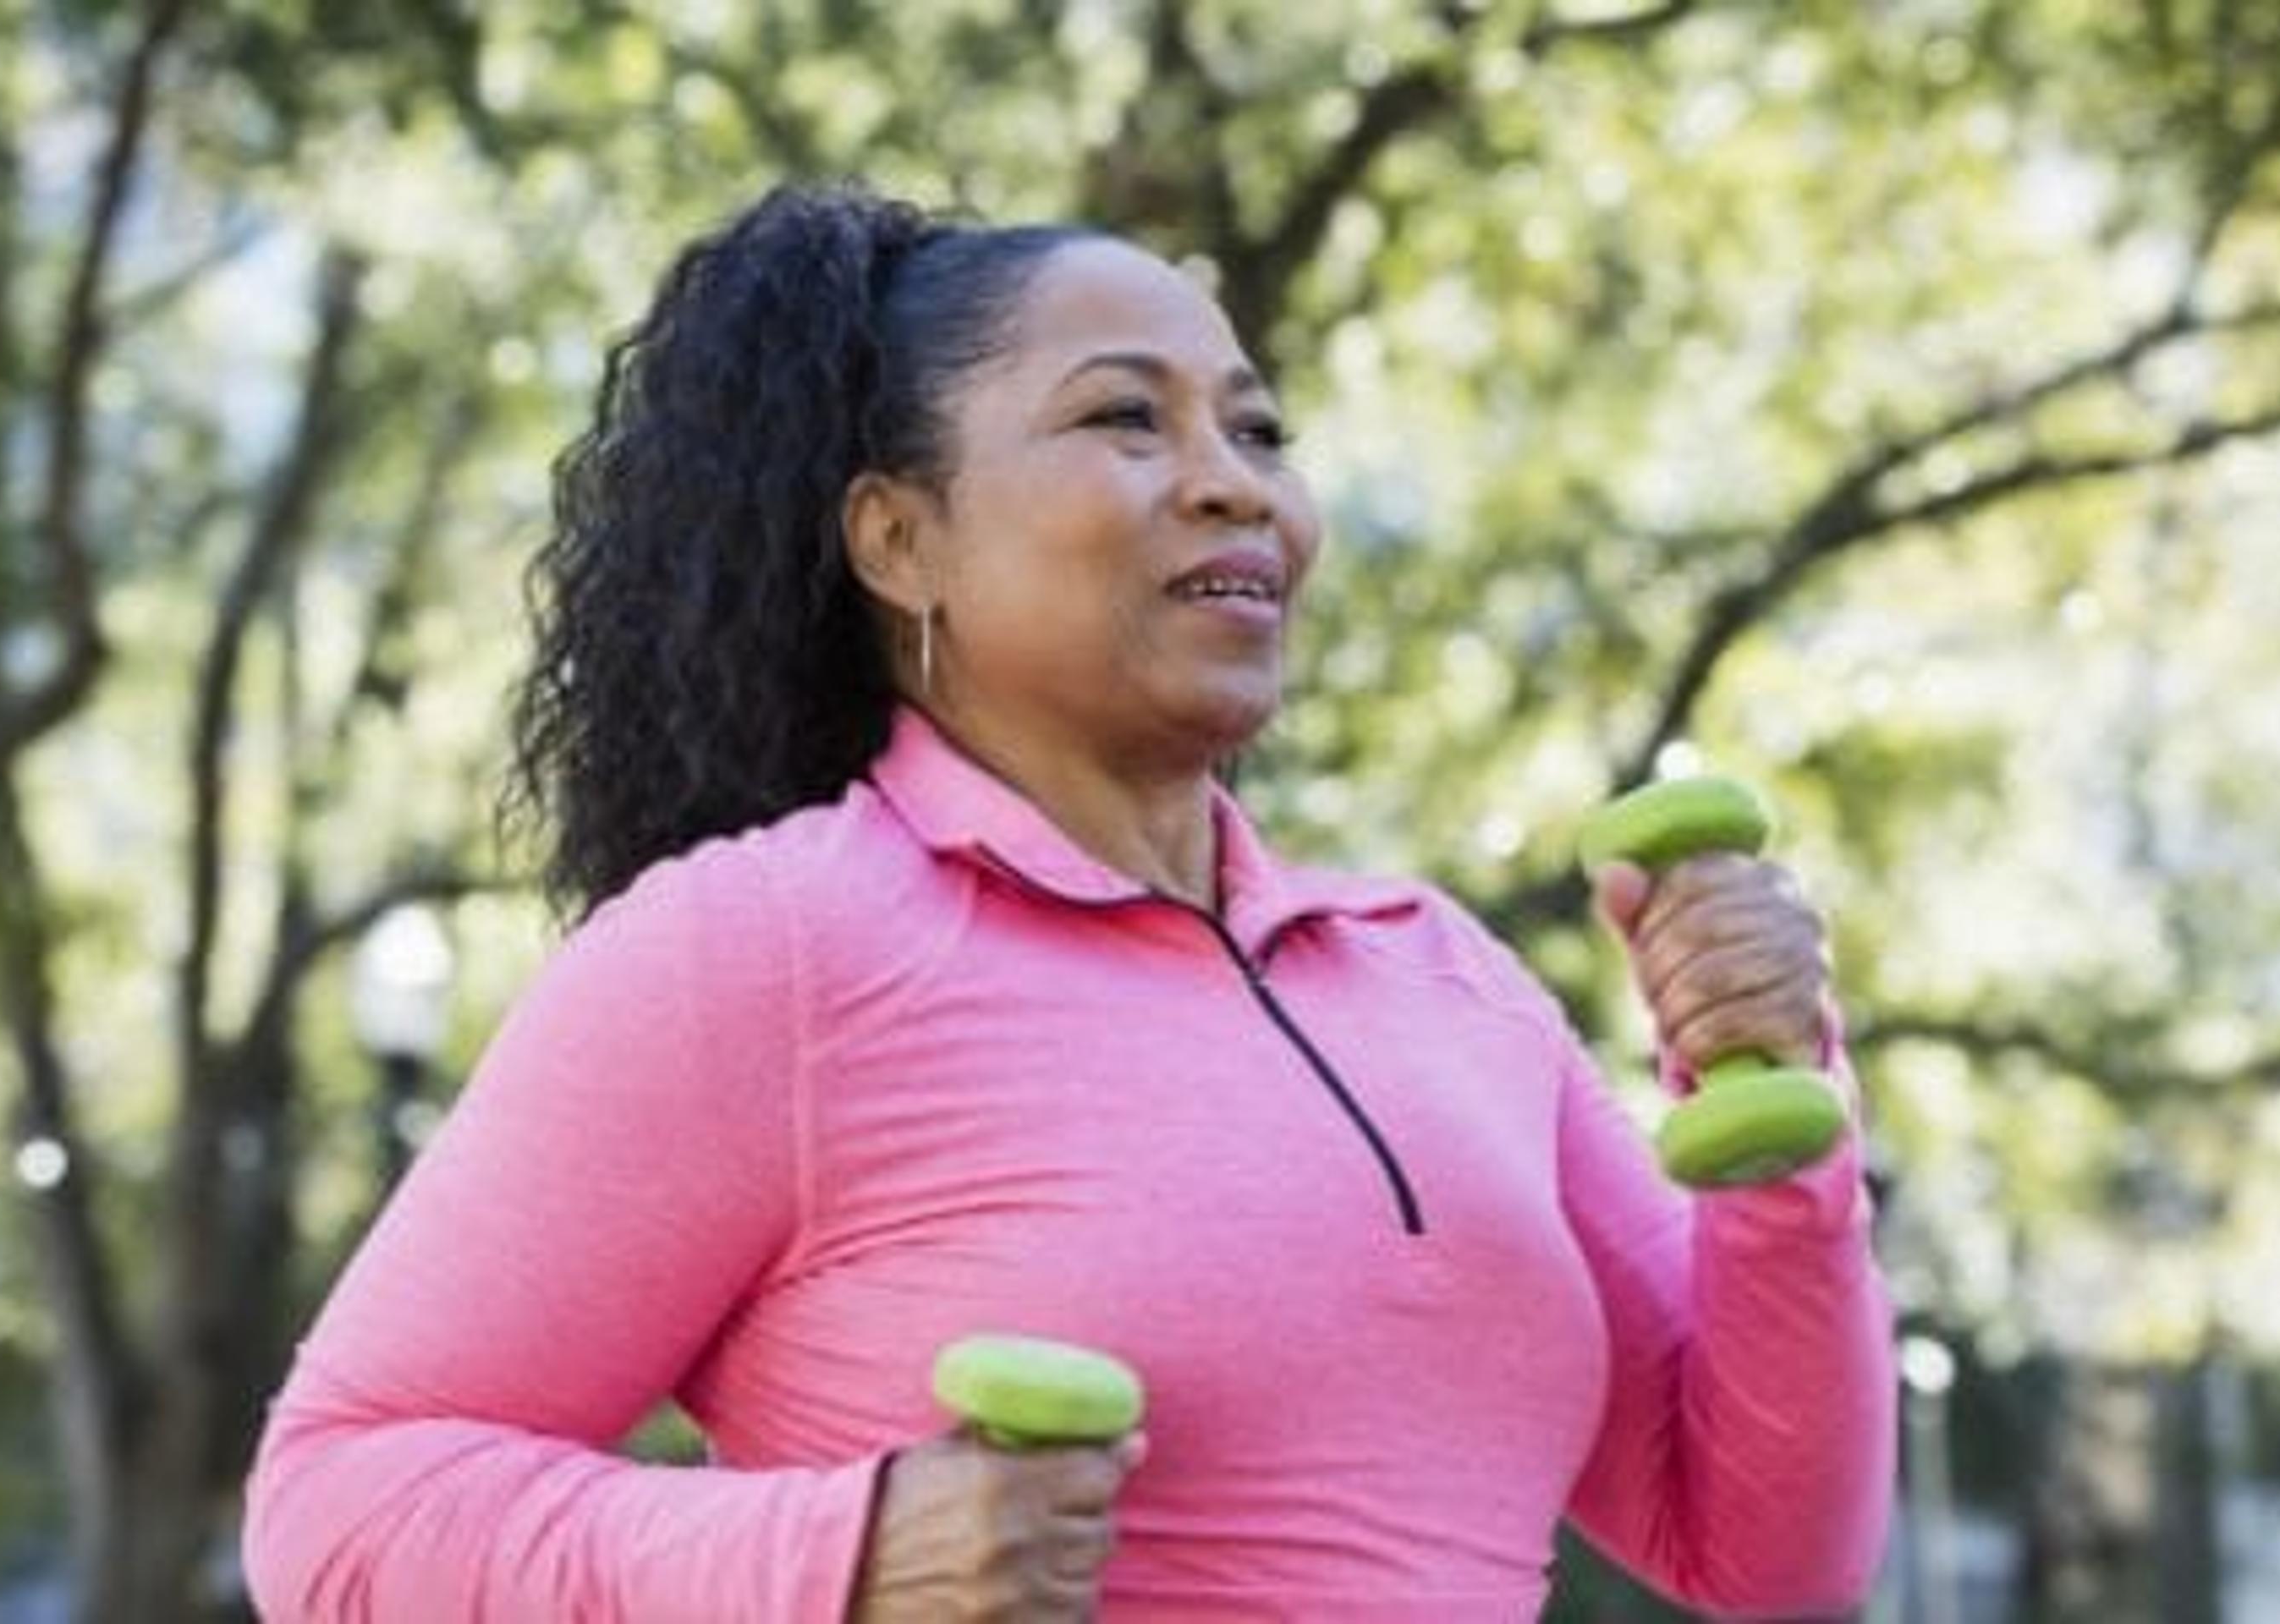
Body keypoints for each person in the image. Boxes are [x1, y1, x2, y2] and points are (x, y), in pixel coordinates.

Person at [241, 182, 1893, 1621]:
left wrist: (1774, 1103)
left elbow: (1764, 1546)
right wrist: (840, 1557)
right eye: (1126, 418)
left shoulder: (1439, 978)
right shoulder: (766, 950)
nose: (1235, 480)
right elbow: (333, 1509)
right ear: (901, 540)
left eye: (1258, 431)